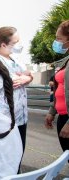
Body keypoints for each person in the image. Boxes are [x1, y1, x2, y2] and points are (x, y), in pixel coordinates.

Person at [0, 26, 33, 168]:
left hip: (21, 117)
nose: (19, 45)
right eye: (15, 42)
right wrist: (24, 78)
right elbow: (5, 82)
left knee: (17, 157)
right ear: (3, 44)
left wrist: (27, 78)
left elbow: (28, 75)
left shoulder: (14, 58)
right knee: (5, 160)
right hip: (5, 119)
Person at [45, 20, 69, 153]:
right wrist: (52, 112)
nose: (56, 42)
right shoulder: (66, 60)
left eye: (59, 38)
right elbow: (60, 89)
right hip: (62, 116)